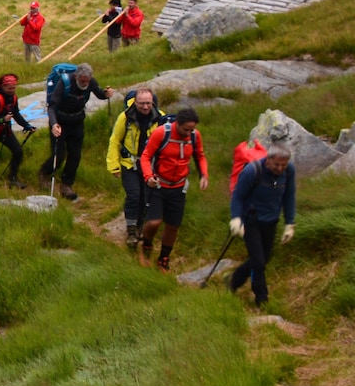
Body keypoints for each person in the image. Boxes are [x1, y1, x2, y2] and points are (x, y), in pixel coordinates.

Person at [137, 107, 210, 271]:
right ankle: (146, 245)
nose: (189, 132)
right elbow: (146, 156)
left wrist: (204, 175)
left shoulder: (194, 135)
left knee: (173, 226)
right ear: (178, 123)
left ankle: (164, 259)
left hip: (179, 187)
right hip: (158, 185)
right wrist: (148, 176)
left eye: (192, 129)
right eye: (186, 129)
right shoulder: (162, 133)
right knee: (154, 222)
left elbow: (200, 155)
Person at [228, 144, 297, 307]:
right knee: (258, 262)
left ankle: (233, 281)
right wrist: (236, 219)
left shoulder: (289, 171)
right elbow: (238, 196)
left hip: (271, 222)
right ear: (268, 160)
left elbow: (289, 196)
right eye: (276, 164)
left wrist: (290, 223)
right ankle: (262, 299)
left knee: (263, 259)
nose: (280, 168)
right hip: (250, 222)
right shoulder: (252, 171)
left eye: (283, 165)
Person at [38, 63, 114, 201]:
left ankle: (66, 185)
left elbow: (100, 94)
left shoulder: (91, 82)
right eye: (82, 81)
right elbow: (52, 106)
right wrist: (54, 124)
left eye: (87, 81)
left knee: (75, 155)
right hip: (60, 122)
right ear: (76, 76)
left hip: (77, 122)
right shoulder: (64, 83)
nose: (85, 84)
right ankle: (44, 173)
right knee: (59, 154)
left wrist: (106, 94)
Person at [106, 88, 165, 249]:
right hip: (129, 164)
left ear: (152, 102)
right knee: (134, 195)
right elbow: (115, 140)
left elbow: (166, 144)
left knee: (146, 197)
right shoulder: (125, 117)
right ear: (135, 102)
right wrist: (113, 165)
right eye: (141, 103)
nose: (145, 107)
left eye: (148, 103)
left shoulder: (160, 117)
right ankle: (131, 230)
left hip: (150, 166)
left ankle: (141, 226)